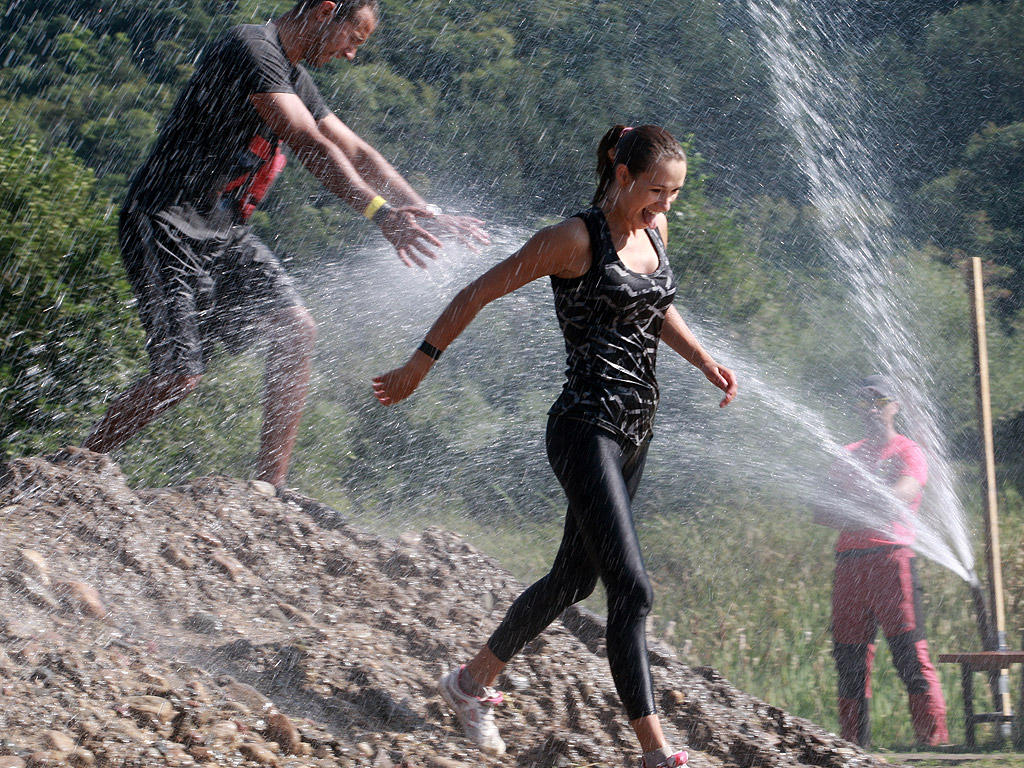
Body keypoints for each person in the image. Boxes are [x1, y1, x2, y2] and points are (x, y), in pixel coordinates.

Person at [373, 124, 737, 767]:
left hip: (635, 430)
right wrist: (416, 368)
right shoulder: (571, 240)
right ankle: (656, 753)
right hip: (583, 428)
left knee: (574, 578)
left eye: (675, 194)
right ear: (622, 175)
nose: (666, 205)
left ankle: (469, 683)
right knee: (634, 593)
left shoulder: (656, 232)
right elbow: (475, 292)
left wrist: (704, 360)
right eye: (657, 190)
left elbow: (657, 306)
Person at [83, 0, 487, 488]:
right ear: (323, 12)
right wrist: (379, 213)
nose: (350, 55)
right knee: (177, 378)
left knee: (296, 331)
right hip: (165, 220)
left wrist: (427, 213)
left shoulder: (294, 77)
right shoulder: (251, 48)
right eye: (352, 40)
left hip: (225, 231)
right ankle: (74, 469)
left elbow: (357, 151)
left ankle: (267, 492)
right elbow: (306, 140)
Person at [814, 375, 948, 748]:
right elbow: (821, 510)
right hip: (849, 565)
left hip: (892, 561)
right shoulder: (847, 453)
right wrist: (865, 510)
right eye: (863, 401)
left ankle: (932, 744)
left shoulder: (909, 450)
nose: (872, 408)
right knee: (850, 661)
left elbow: (903, 494)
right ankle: (854, 748)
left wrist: (852, 510)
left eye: (879, 400)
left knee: (909, 655)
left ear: (895, 405)